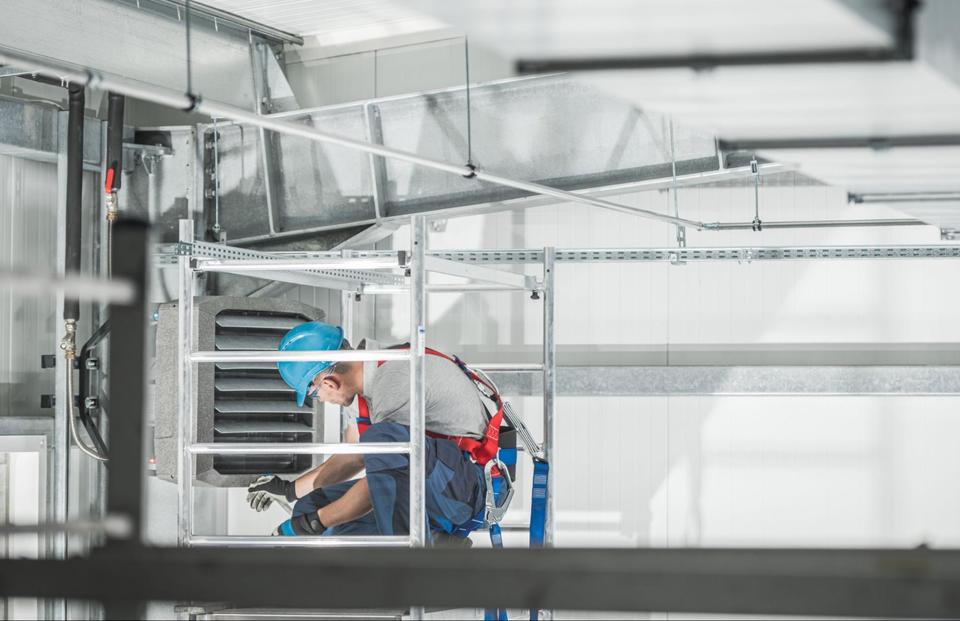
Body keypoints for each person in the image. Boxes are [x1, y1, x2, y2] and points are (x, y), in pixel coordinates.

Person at [246, 321, 495, 543]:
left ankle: (413, 562)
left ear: (328, 383)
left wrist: (314, 522)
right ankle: (438, 545)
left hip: (471, 489)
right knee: (311, 505)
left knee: (378, 445)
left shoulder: (394, 381)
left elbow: (384, 472)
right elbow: (356, 457)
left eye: (314, 394)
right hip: (440, 483)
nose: (320, 399)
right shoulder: (370, 381)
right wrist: (289, 491)